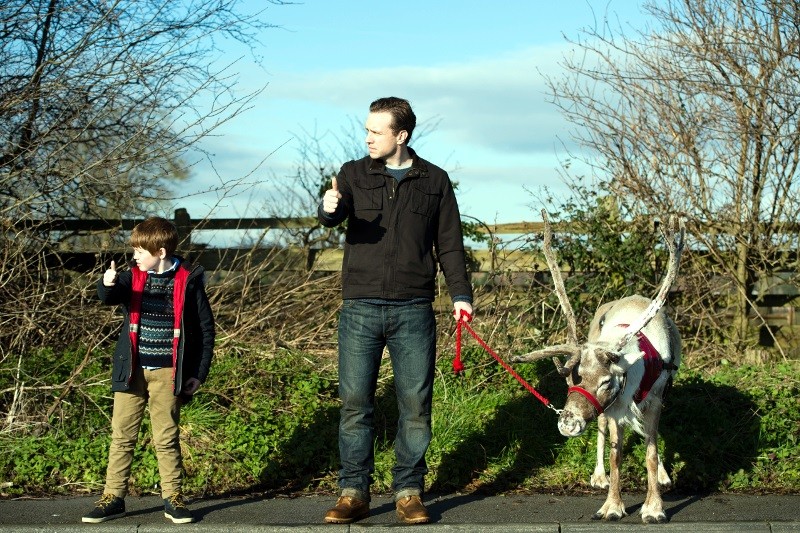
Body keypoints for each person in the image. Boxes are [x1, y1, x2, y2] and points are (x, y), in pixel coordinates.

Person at [318, 97, 474, 525]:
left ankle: (408, 491)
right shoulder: (352, 174)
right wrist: (329, 209)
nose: (367, 137)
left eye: (375, 131)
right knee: (354, 402)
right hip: (360, 307)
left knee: (415, 403)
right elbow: (334, 213)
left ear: (400, 135)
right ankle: (353, 492)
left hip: (413, 309)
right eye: (366, 130)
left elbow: (450, 244)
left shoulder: (435, 181)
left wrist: (461, 294)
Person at [82, 217, 215, 524]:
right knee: (122, 436)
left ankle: (173, 498)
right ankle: (113, 497)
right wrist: (107, 283)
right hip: (132, 372)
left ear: (162, 252)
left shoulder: (188, 279)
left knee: (166, 438)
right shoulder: (132, 277)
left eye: (141, 251)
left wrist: (199, 373)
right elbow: (108, 297)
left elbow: (206, 331)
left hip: (169, 373)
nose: (135, 256)